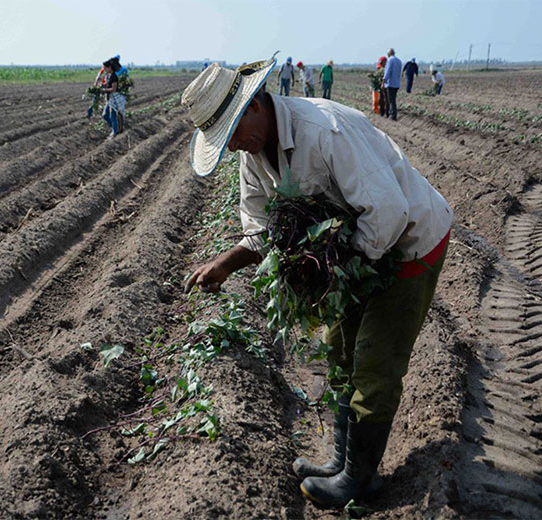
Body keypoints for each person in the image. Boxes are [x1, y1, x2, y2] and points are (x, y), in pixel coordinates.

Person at [181, 57, 452, 508]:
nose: (231, 148)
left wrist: (338, 270)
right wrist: (227, 262)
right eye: (222, 141)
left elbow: (386, 213)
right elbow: (261, 227)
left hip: (408, 242)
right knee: (339, 348)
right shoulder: (254, 156)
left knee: (374, 363)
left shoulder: (324, 132)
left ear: (253, 107)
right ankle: (344, 462)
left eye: (231, 134)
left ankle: (360, 480)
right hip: (362, 249)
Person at [100, 59, 122, 138]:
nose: (104, 70)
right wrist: (102, 86)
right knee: (105, 115)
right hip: (109, 99)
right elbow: (107, 85)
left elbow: (114, 89)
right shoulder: (108, 76)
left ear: (109, 67)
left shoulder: (114, 76)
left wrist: (104, 90)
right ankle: (114, 130)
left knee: (112, 116)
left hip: (114, 99)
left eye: (105, 68)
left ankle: (115, 133)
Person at [383, 48, 402, 120]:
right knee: (393, 99)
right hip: (396, 83)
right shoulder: (399, 61)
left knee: (391, 100)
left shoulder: (390, 60)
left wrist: (384, 81)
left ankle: (392, 115)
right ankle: (393, 114)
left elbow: (387, 72)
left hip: (390, 83)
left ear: (389, 53)